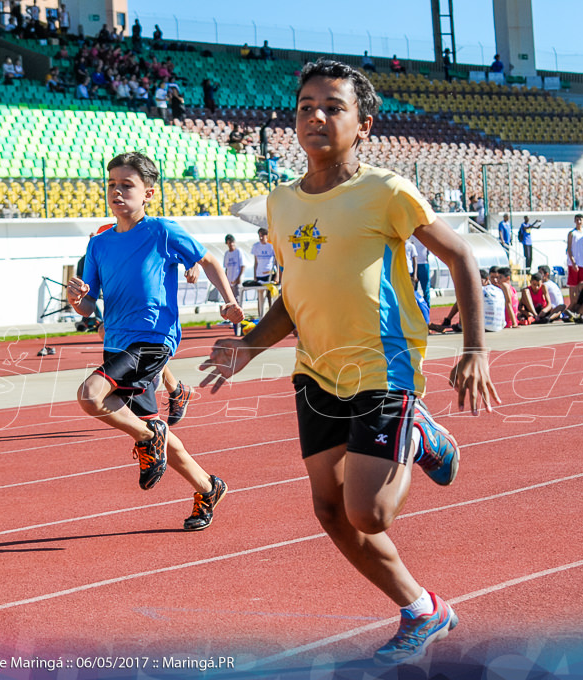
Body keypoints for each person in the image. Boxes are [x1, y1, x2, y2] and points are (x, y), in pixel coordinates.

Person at [198, 59, 499, 667]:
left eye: (334, 107)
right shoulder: (279, 203)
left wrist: (474, 350)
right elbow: (296, 294)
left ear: (364, 124)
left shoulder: (385, 191)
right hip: (315, 372)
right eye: (307, 105)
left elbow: (462, 257)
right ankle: (422, 609)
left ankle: (419, 431)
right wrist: (249, 346)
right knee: (331, 512)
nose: (316, 116)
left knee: (371, 509)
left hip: (382, 367)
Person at [66, 152, 244, 531]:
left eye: (126, 185)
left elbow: (209, 260)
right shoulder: (99, 245)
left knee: (90, 395)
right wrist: (76, 298)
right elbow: (86, 307)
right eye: (112, 184)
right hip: (117, 341)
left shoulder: (162, 230)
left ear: (148, 192)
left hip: (152, 341)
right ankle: (208, 487)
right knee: (153, 427)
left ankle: (150, 438)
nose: (117, 191)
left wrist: (228, 301)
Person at [566, 213, 583, 302]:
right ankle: (572, 304)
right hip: (573, 264)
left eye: (580, 220)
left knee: (581, 286)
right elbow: (569, 248)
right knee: (573, 286)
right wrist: (573, 262)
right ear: (575, 221)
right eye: (577, 220)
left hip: (582, 263)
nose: (579, 221)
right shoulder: (572, 233)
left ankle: (578, 304)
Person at [408, 234, 431, 310]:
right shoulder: (412, 236)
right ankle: (414, 310)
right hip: (414, 265)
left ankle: (427, 310)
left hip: (424, 264)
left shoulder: (426, 236)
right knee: (413, 290)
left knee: (426, 290)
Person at [222, 234, 244, 309]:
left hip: (236, 280)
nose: (231, 244)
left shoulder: (238, 252)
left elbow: (242, 265)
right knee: (230, 300)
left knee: (237, 299)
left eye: (232, 242)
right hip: (229, 280)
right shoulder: (227, 254)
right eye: (229, 242)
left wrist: (239, 278)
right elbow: (226, 268)